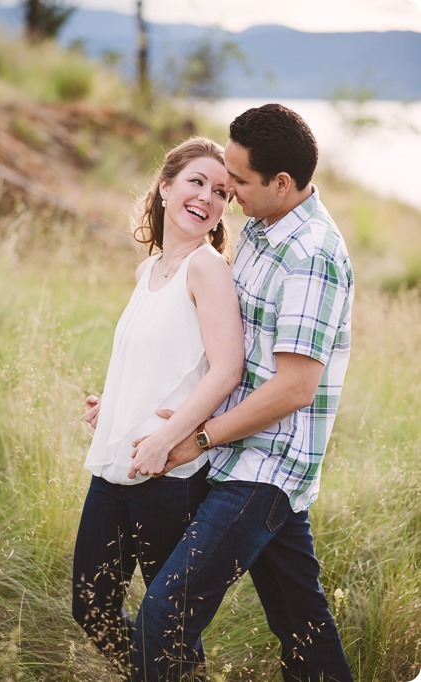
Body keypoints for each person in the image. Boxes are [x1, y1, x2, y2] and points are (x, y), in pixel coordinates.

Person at [129, 104, 355, 682]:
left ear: (282, 183)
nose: (227, 191)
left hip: (267, 464)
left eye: (240, 182)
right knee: (302, 626)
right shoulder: (264, 223)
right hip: (238, 451)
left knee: (166, 611)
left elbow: (295, 387)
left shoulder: (312, 255)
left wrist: (197, 437)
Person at [71, 137, 244, 674]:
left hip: (169, 473)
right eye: (197, 182)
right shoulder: (147, 272)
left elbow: (225, 369)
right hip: (118, 462)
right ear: (165, 186)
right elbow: (154, 359)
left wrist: (169, 439)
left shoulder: (207, 268)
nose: (208, 198)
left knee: (168, 625)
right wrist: (117, 402)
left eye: (221, 192)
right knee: (91, 606)